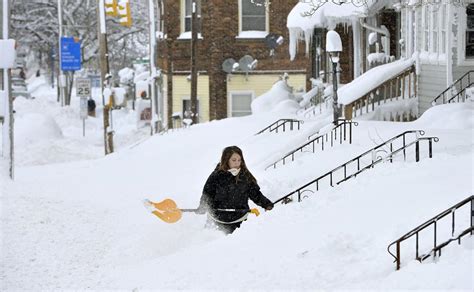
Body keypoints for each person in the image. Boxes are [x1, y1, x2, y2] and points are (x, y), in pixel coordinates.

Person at [197, 146, 274, 234]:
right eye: (234, 160)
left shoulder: (245, 176)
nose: (237, 163)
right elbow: (207, 195)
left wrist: (267, 204)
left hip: (240, 223)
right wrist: (203, 208)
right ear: (226, 160)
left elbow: (255, 194)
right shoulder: (216, 176)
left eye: (239, 160)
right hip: (217, 221)